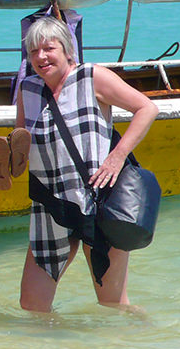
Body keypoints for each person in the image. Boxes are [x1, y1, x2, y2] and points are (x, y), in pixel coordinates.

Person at [14, 16, 158, 313]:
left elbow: (147, 108)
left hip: (98, 202)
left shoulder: (92, 77)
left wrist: (117, 157)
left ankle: (141, 343)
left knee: (113, 304)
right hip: (51, 207)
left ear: (68, 50)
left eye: (48, 48)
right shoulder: (27, 90)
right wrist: (7, 165)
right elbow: (20, 143)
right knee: (31, 304)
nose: (41, 57)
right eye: (33, 52)